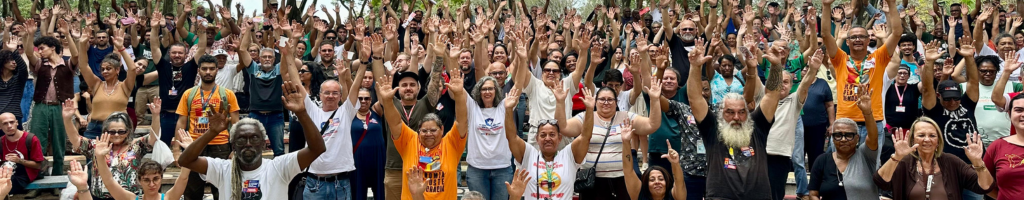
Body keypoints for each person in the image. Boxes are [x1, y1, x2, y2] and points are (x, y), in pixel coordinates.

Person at [177, 80, 327, 200]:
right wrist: (212, 132)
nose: (248, 144)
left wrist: (301, 113)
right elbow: (185, 161)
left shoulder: (279, 167)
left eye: (254, 138)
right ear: (233, 146)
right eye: (241, 139)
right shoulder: (222, 169)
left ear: (263, 144)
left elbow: (317, 149)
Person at [685, 36, 786, 199]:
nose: (736, 117)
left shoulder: (757, 126)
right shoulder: (712, 128)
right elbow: (695, 98)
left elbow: (772, 96)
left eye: (741, 112)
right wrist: (695, 67)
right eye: (730, 112)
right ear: (721, 113)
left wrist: (776, 66)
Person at [376, 54, 470, 199]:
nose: (428, 134)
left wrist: (458, 95)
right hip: (394, 171)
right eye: (424, 131)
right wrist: (387, 101)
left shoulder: (451, 144)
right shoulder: (410, 141)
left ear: (442, 130)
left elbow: (462, 122)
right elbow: (395, 123)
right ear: (418, 132)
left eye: (433, 130)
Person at [560, 77, 662, 200]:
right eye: (602, 99)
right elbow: (563, 128)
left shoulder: (626, 117)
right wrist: (560, 102)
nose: (606, 102)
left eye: (610, 99)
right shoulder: (585, 117)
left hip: (621, 178)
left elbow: (652, 125)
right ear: (595, 101)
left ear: (616, 102)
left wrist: (655, 99)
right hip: (592, 181)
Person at [821, 0, 902, 150]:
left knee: (870, 164)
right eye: (853, 37)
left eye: (862, 37)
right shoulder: (840, 59)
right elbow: (825, 35)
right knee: (840, 163)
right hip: (844, 123)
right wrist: (826, 6)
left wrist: (892, 5)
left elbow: (897, 33)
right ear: (848, 42)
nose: (857, 39)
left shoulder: (878, 58)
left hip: (873, 122)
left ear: (868, 40)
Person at [502, 84, 594, 200]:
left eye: (552, 135)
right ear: (536, 139)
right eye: (543, 135)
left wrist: (589, 110)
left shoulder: (568, 155)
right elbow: (511, 137)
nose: (547, 138)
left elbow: (585, 137)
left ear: (559, 138)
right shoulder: (529, 155)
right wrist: (508, 110)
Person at [874, 117, 994, 200]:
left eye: (932, 135)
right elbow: (880, 181)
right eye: (921, 135)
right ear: (912, 139)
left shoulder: (951, 162)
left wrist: (978, 162)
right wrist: (897, 157)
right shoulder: (904, 162)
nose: (927, 139)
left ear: (938, 141)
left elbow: (985, 187)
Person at [63, 98, 161, 199]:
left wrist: (155, 115)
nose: (116, 135)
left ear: (128, 131)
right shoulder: (97, 146)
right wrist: (67, 119)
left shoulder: (136, 146)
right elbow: (76, 140)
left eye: (121, 131)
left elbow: (153, 137)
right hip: (99, 197)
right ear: (105, 131)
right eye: (112, 132)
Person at [808, 83, 880, 200]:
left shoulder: (866, 156)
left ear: (857, 138)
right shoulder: (822, 161)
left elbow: (873, 137)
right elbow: (813, 194)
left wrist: (867, 112)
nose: (843, 139)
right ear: (832, 138)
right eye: (838, 135)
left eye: (849, 135)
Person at [23, 18, 70, 176]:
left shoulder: (66, 65)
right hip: (41, 106)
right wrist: (30, 35)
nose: (40, 51)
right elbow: (29, 53)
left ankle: (57, 177)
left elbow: (77, 56)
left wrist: (68, 34)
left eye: (42, 48)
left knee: (59, 142)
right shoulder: (40, 64)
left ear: (53, 48)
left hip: (59, 107)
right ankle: (38, 176)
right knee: (37, 141)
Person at [76, 26, 138, 139]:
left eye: (108, 69)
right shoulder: (97, 84)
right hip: (94, 128)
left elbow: (132, 69)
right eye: (103, 69)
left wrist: (121, 48)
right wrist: (82, 44)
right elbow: (83, 66)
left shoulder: (125, 86)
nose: (104, 71)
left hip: (117, 130)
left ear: (117, 70)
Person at [237, 18, 287, 157]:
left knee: (279, 151)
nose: (267, 59)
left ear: (274, 59)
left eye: (270, 57)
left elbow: (285, 52)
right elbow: (242, 49)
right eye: (264, 57)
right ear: (259, 58)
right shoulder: (253, 69)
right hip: (255, 115)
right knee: (251, 150)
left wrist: (279, 32)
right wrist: (248, 29)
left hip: (275, 116)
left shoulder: (279, 70)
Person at [93, 130, 192, 200]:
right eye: (146, 180)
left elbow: (183, 178)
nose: (152, 184)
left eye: (155, 179)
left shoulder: (168, 198)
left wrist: (190, 150)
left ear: (161, 178)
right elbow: (109, 182)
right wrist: (100, 158)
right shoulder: (131, 199)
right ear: (139, 181)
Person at [464, 75, 515, 200]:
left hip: (502, 168)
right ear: (479, 91)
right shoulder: (472, 107)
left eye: (490, 88)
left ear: (496, 90)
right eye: (484, 89)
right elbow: (459, 90)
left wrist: (523, 63)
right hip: (477, 169)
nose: (487, 92)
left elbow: (518, 84)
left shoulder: (504, 106)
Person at [621, 120, 687, 200]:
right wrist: (626, 142)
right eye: (652, 180)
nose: (657, 182)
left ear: (666, 182)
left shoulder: (675, 196)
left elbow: (680, 182)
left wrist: (675, 163)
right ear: (646, 184)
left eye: (661, 179)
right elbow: (628, 171)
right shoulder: (638, 195)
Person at [983, 94, 1024, 200]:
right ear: (1009, 114)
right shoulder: (997, 146)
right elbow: (985, 184)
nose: (1023, 114)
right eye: (1018, 110)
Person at [0, 112, 43, 195]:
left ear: (17, 123)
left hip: (26, 173)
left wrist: (19, 160)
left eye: (12, 122)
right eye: (5, 124)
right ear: (0, 127)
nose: (9, 126)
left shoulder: (31, 139)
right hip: (7, 172)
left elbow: (38, 165)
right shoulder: (1, 142)